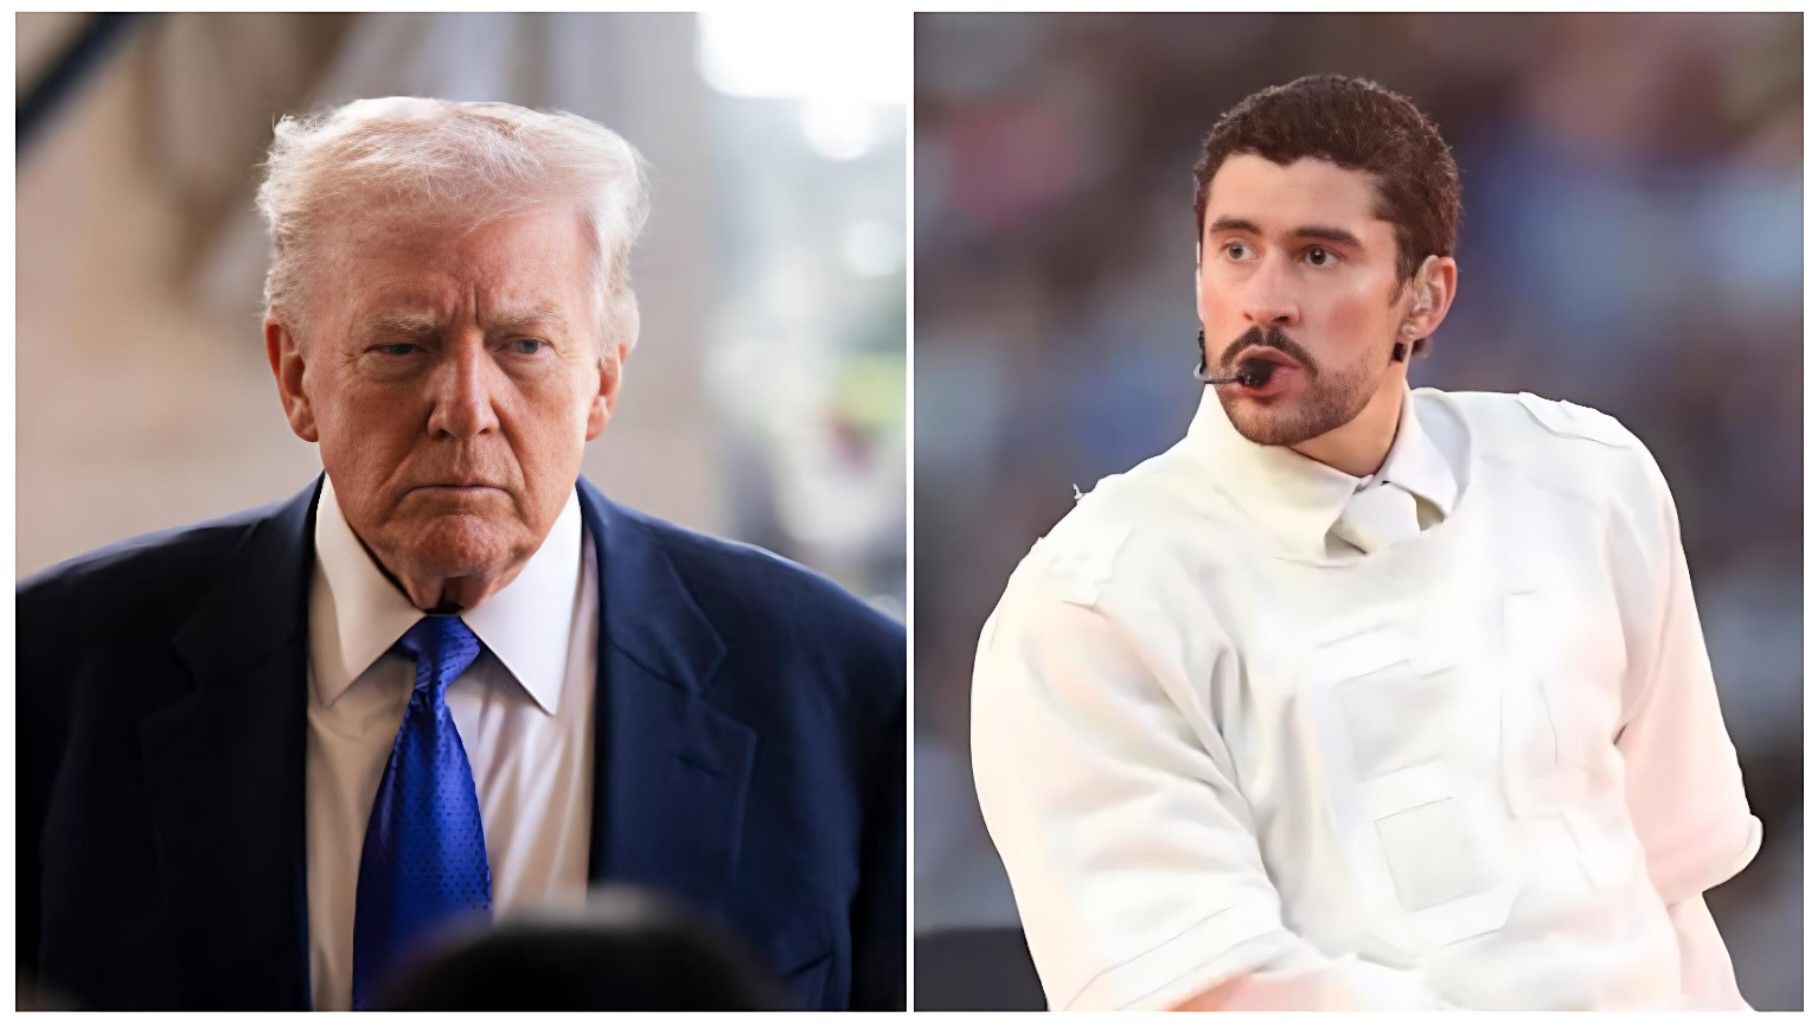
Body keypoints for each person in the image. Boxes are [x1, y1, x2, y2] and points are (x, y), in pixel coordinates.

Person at [18, 97, 904, 1012]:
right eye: (403, 346)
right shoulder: (47, 677)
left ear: (601, 380)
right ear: (296, 376)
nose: (466, 407)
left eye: (525, 345)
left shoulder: (847, 691)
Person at [971, 74, 1759, 1011]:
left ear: (1424, 298)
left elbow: (1671, 885)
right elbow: (1200, 998)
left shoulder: (1587, 481)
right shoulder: (1092, 605)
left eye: (1317, 256)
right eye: (1235, 250)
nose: (1265, 301)